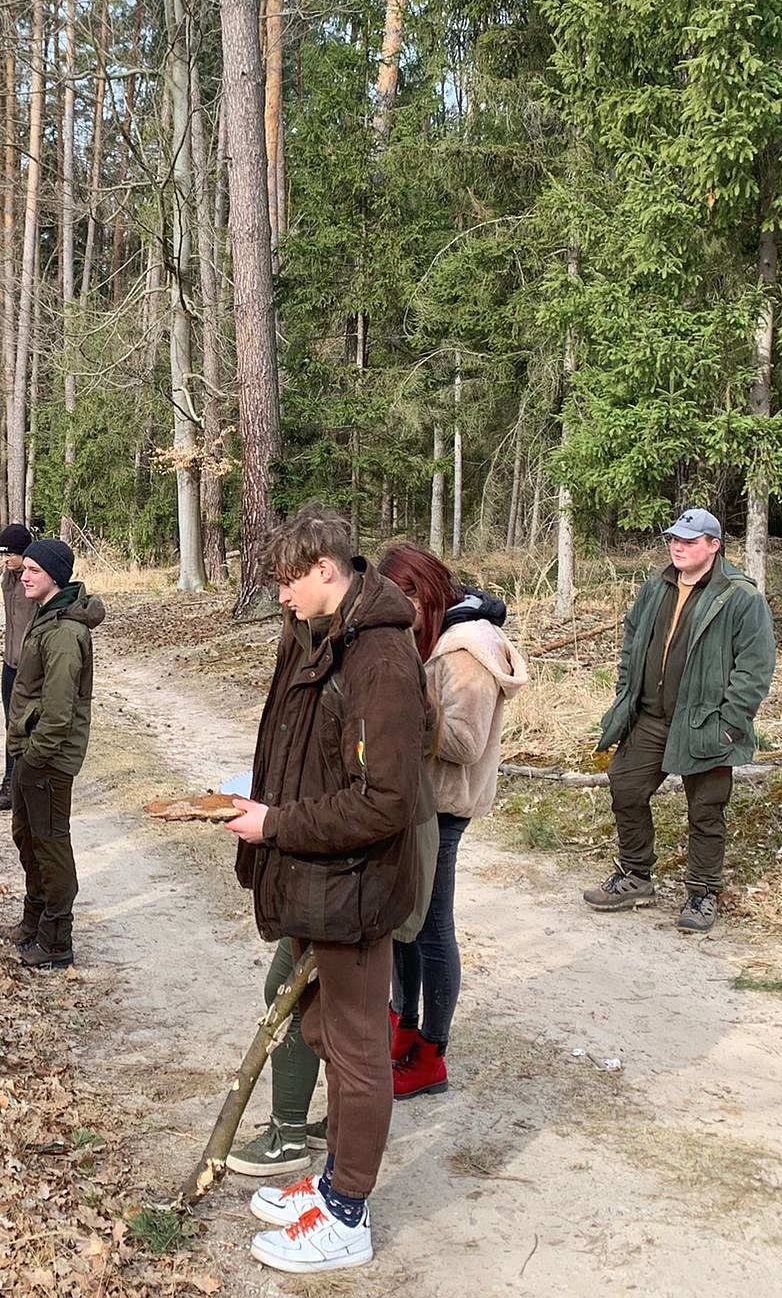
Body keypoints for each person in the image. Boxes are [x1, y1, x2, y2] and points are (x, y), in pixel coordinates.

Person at [224, 507, 430, 1275]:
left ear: (325, 570)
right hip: (317, 879)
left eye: (287, 581)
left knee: (357, 1050)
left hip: (355, 887)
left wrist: (276, 823)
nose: (280, 596)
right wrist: (260, 805)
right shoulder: (317, 633)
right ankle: (335, 1180)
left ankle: (347, 1215)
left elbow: (386, 800)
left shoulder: (380, 656)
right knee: (325, 1035)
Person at [378, 543, 528, 1098]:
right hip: (414, 801)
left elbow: (465, 744)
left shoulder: (466, 650)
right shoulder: (433, 636)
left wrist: (407, 707)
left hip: (442, 806)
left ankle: (431, 1055)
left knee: (432, 929)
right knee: (404, 922)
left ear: (422, 593)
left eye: (401, 600)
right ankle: (403, 1025)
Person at [584, 507, 776, 934]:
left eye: (689, 541)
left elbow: (755, 668)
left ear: (714, 545)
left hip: (706, 722)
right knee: (626, 787)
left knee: (706, 810)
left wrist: (730, 723)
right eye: (674, 539)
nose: (677, 547)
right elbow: (633, 641)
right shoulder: (657, 585)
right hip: (650, 717)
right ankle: (635, 876)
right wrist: (625, 693)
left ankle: (703, 893)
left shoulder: (740, 596)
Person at [0, 537, 103, 971]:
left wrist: (35, 755)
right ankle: (33, 922)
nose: (24, 576)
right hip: (30, 752)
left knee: (51, 844)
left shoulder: (64, 632)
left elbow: (59, 712)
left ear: (55, 577)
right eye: (25, 568)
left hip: (48, 759)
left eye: (33, 571)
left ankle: (57, 941)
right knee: (28, 837)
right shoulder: (47, 614)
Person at [0, 523, 37, 815]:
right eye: (1, 554)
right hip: (10, 664)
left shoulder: (37, 579)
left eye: (10, 554)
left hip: (32, 666)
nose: (5, 559)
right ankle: (10, 787)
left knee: (32, 728)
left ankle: (32, 790)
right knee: (11, 727)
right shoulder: (7, 578)